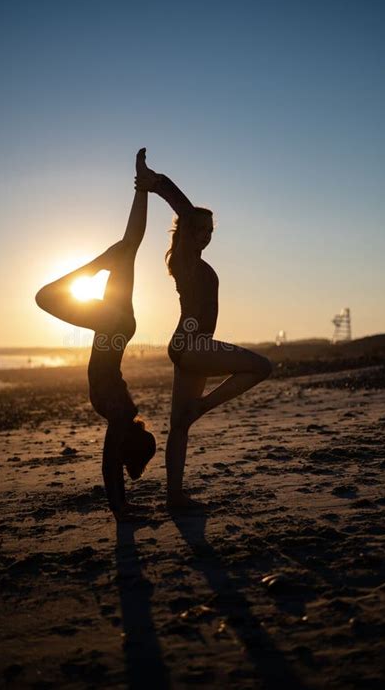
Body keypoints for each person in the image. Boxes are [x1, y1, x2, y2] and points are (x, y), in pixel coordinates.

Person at [137, 151, 272, 510]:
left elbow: (189, 218)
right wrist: (158, 183)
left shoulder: (198, 262)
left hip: (192, 345)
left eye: (211, 232)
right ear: (188, 232)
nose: (207, 237)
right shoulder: (184, 261)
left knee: (179, 425)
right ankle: (203, 407)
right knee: (261, 366)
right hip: (190, 343)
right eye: (201, 230)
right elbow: (184, 211)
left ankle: (174, 496)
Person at [35, 150, 156, 522]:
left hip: (116, 327)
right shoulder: (119, 412)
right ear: (126, 445)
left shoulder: (123, 413)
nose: (117, 455)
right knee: (125, 249)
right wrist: (120, 509)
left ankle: (139, 192)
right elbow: (109, 463)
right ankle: (142, 187)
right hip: (114, 327)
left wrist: (122, 507)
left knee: (126, 248)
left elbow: (110, 463)